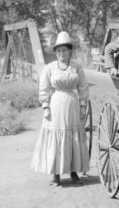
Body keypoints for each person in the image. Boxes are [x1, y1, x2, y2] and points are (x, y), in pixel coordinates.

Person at [31, 31, 90, 186]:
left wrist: (83, 105)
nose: (61, 53)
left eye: (64, 50)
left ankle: (73, 171)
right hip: (56, 103)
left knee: (73, 136)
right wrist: (45, 106)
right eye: (58, 51)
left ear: (70, 51)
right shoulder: (50, 68)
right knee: (56, 137)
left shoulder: (77, 68)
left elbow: (83, 87)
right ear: (55, 53)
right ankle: (56, 174)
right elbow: (43, 88)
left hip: (73, 104)